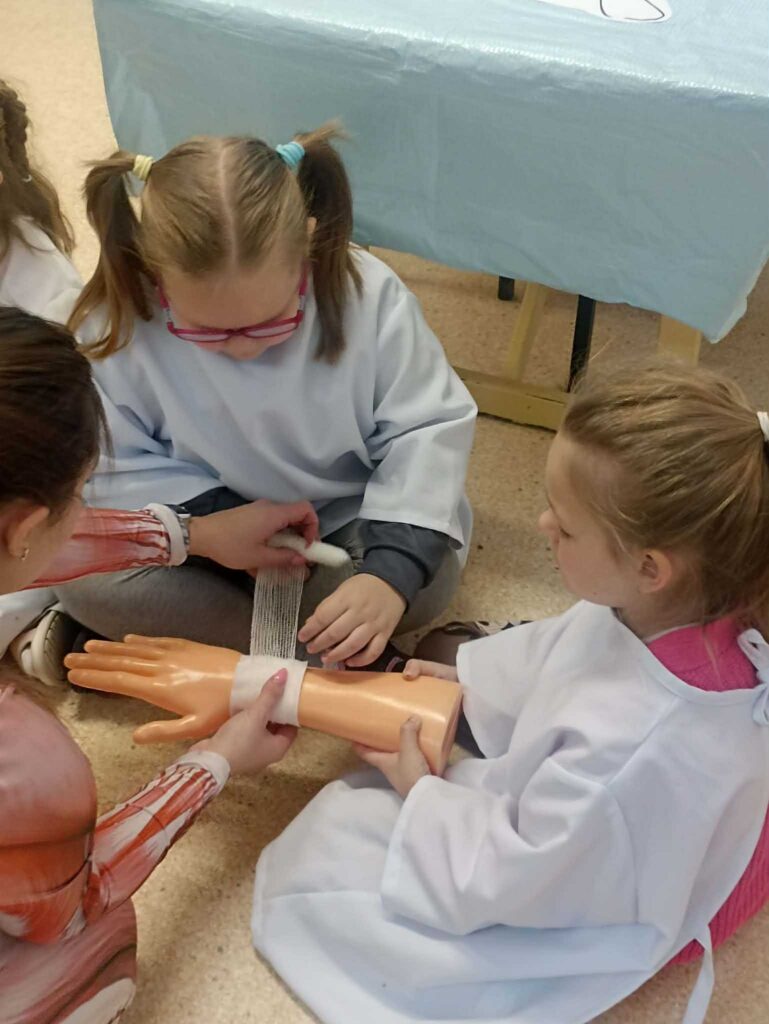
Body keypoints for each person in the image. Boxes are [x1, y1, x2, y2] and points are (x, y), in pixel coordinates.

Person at [244, 363, 769, 1024]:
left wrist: (422, 794)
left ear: (649, 567)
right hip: (655, 816)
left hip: (655, 889)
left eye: (566, 528)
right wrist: (470, 687)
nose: (543, 524)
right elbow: (567, 651)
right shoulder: (680, 600)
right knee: (438, 675)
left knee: (337, 876)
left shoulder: (633, 744)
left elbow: (523, 874)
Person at [47, 123, 476, 671]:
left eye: (271, 322)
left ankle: (267, 648)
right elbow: (114, 464)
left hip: (343, 526)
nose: (243, 349)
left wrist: (387, 576)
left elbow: (426, 430)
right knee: (82, 579)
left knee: (426, 581)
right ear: (154, 274)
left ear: (309, 247)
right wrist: (210, 528)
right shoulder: (117, 321)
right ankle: (342, 662)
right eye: (208, 331)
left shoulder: (369, 296)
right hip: (202, 534)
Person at [0, 307, 313, 1023]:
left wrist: (190, 534)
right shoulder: (26, 766)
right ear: (26, 526)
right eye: (79, 494)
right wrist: (213, 764)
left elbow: (25, 541)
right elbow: (81, 897)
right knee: (97, 939)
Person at [0, 79, 86, 664]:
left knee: (69, 548)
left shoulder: (42, 281)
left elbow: (61, 446)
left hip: (22, 468)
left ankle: (30, 617)